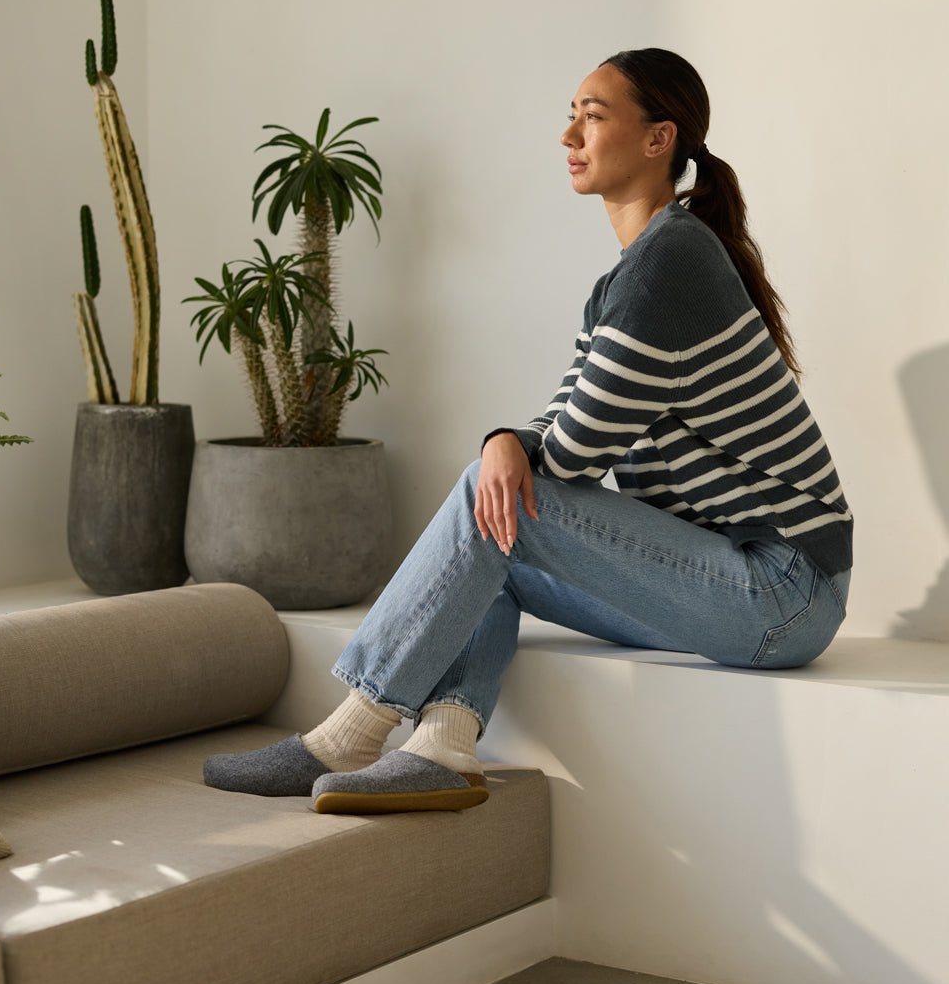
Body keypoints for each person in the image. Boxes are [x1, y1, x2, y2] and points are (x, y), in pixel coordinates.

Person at [204, 47, 853, 816]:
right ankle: (442, 746)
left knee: (497, 489)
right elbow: (566, 414)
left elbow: (575, 452)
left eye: (592, 114)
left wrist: (503, 446)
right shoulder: (634, 271)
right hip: (737, 579)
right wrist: (508, 439)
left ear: (658, 139)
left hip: (780, 588)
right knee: (497, 519)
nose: (568, 135)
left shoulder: (667, 265)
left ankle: (349, 731)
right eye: (570, 115)